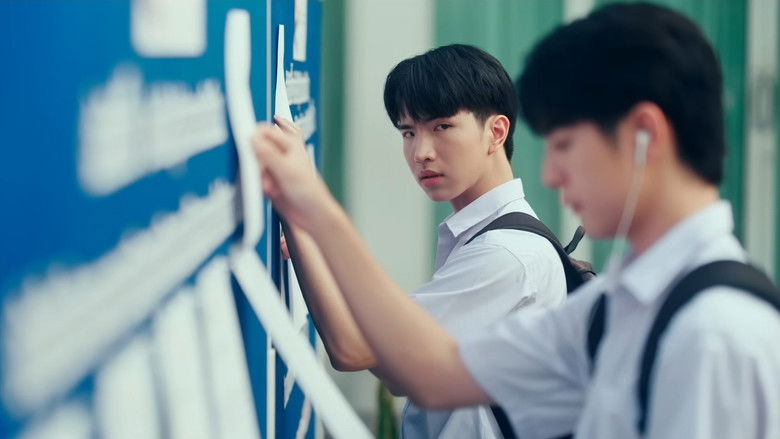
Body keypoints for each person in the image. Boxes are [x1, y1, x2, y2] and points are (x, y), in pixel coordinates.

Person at [254, 4, 780, 438]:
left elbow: (370, 352)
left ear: (646, 135)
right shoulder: (619, 301)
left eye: (565, 145)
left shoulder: (713, 335)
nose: (549, 174)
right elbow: (431, 371)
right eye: (408, 132)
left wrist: (314, 208)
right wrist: (311, 214)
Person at [278, 44, 567, 438]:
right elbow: (397, 372)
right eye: (408, 132)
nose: (421, 153)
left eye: (441, 127)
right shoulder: (487, 237)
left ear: (496, 132)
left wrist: (299, 202)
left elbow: (354, 349)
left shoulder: (504, 254)